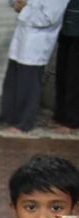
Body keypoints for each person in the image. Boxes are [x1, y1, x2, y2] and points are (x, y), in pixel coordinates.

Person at [0, 0, 70, 133]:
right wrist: (17, 3)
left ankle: (24, 123)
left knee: (29, 85)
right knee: (12, 81)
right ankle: (7, 116)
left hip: (37, 43)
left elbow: (48, 18)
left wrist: (24, 8)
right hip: (22, 38)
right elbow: (17, 3)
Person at [54, 0, 79, 133]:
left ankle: (72, 121)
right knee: (62, 74)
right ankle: (61, 116)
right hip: (66, 30)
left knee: (73, 78)